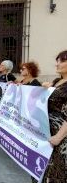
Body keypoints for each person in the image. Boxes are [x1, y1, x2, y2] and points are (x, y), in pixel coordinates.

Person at [38, 50, 67, 183]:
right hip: (47, 131)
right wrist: (46, 87)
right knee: (42, 169)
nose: (57, 64)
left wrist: (58, 137)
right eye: (57, 61)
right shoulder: (57, 81)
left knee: (56, 170)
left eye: (61, 61)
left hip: (60, 136)